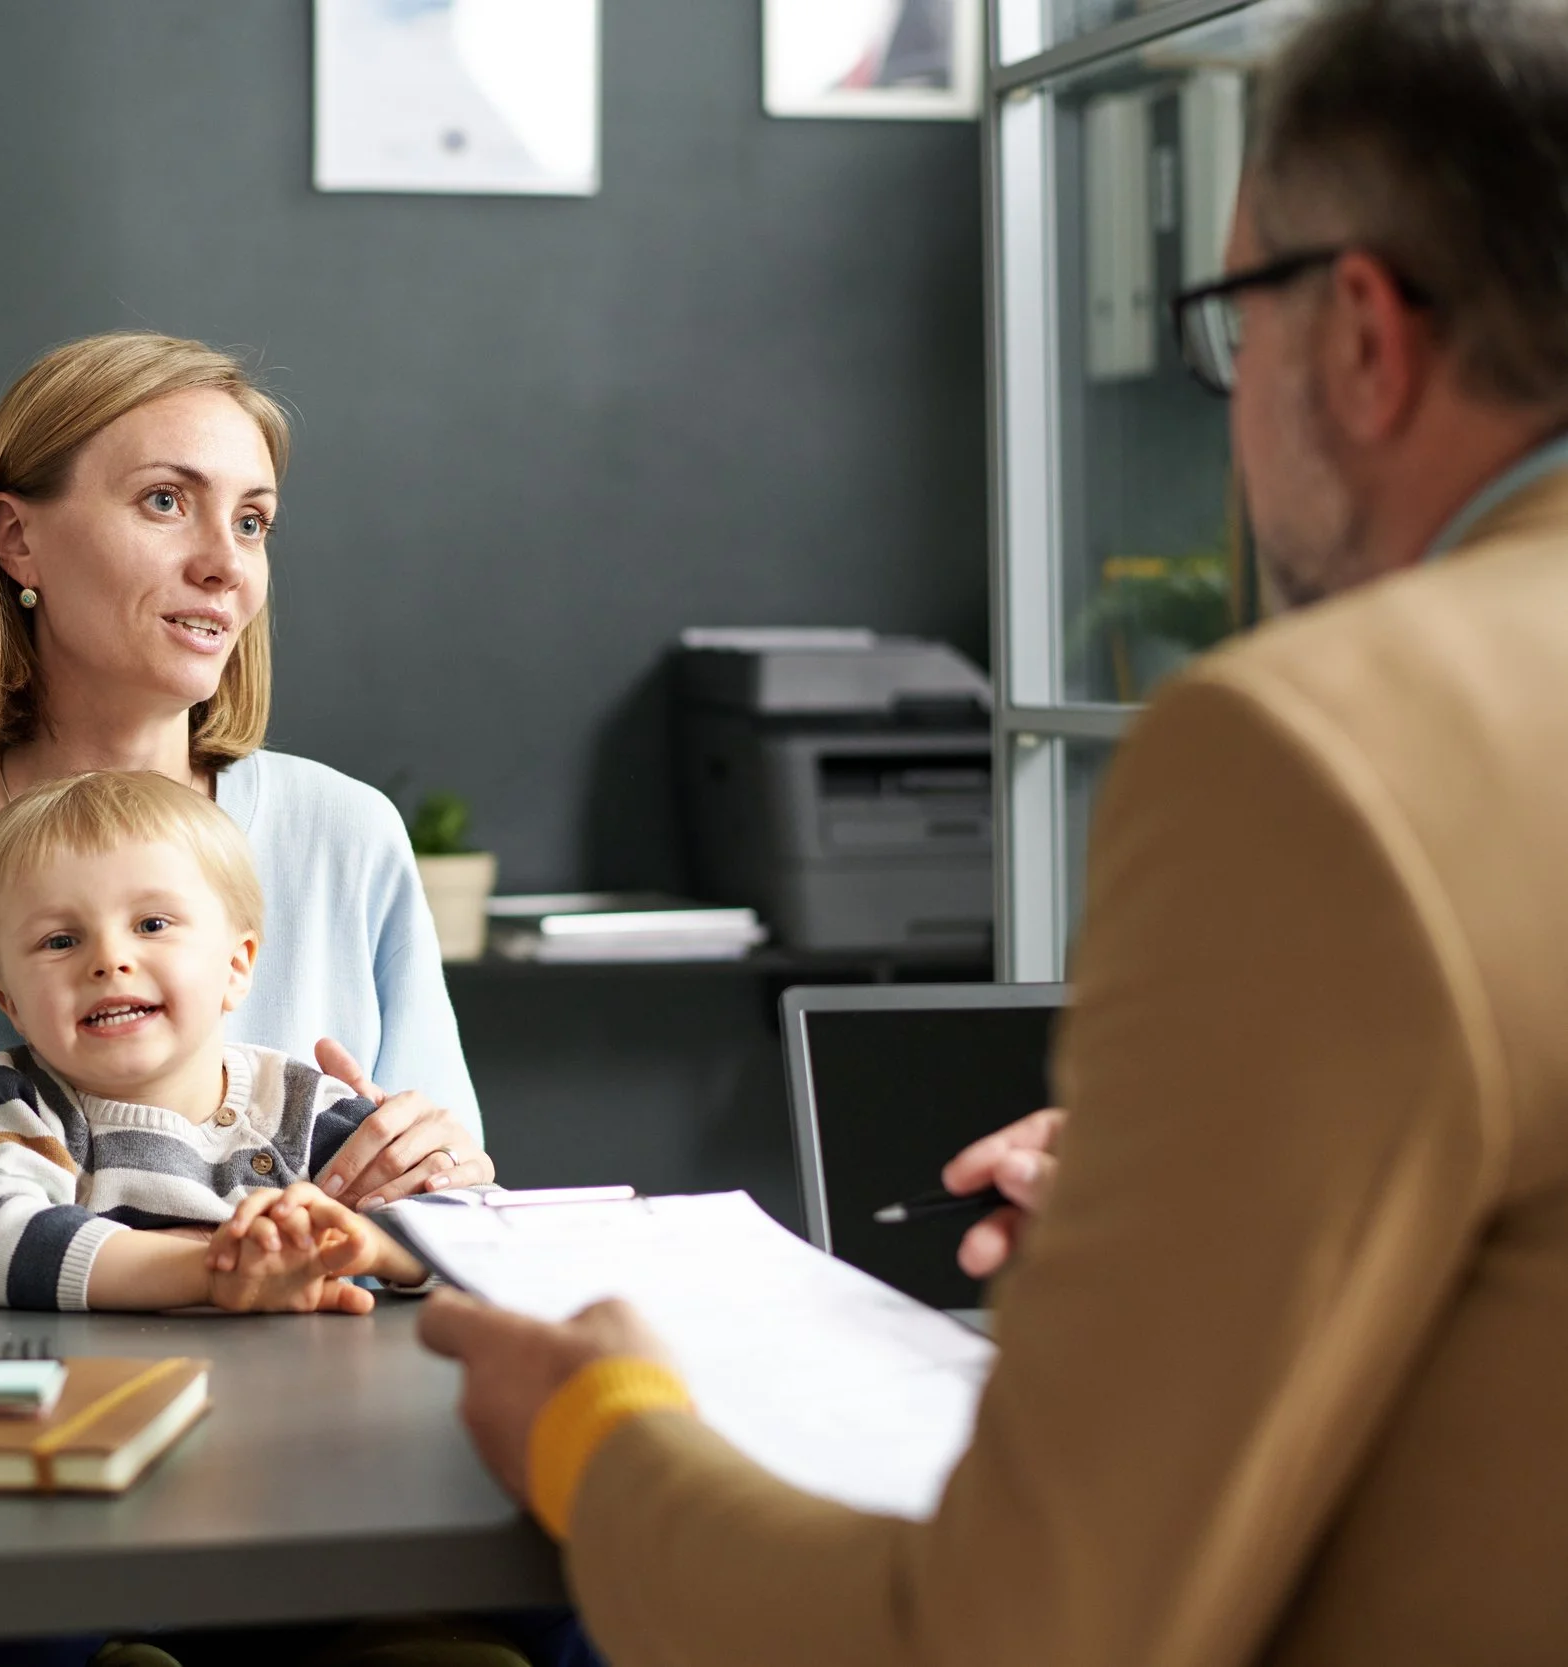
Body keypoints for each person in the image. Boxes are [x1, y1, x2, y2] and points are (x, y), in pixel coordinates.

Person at [418, 2, 1568, 1661]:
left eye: (1233, 324)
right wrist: (1196, 1201)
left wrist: (592, 1434)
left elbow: (1013, 1635)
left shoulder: (1319, 748)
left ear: (1365, 339)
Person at [0, 333, 493, 1317]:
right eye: (166, 501)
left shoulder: (348, 836)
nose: (225, 566)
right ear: (16, 540)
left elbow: (457, 1229)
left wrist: (441, 1184)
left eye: (252, 523)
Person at [0, 769, 433, 1311]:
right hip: (109, 1390)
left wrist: (374, 1248)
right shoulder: (27, 1102)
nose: (109, 960)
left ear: (235, 966)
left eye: (152, 924)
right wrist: (214, 1271)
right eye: (60, 941)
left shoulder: (298, 1103)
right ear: (8, 1002)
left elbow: (474, 1237)